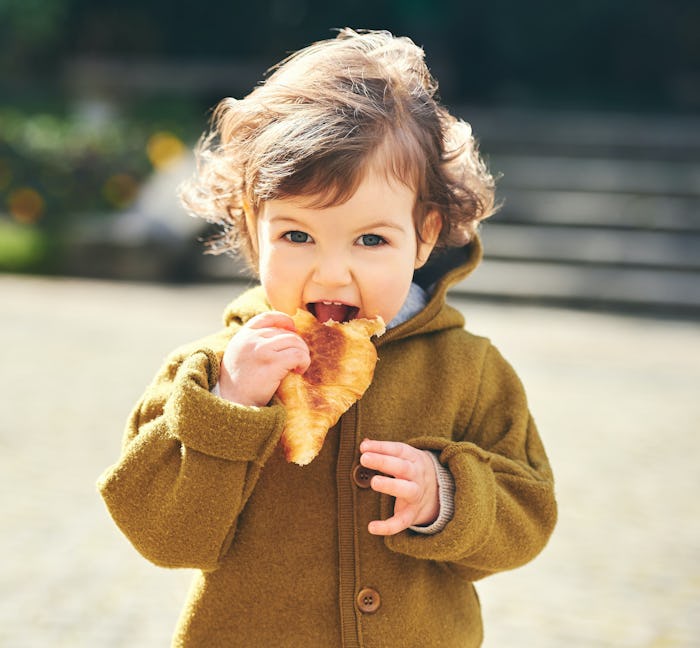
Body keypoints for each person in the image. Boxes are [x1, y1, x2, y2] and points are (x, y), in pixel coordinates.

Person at [98, 28, 556, 647]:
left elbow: (527, 516)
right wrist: (229, 407)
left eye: (371, 240)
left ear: (424, 235)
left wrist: (445, 496)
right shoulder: (207, 371)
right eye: (296, 236)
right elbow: (165, 538)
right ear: (252, 226)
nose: (332, 271)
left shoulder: (469, 370)